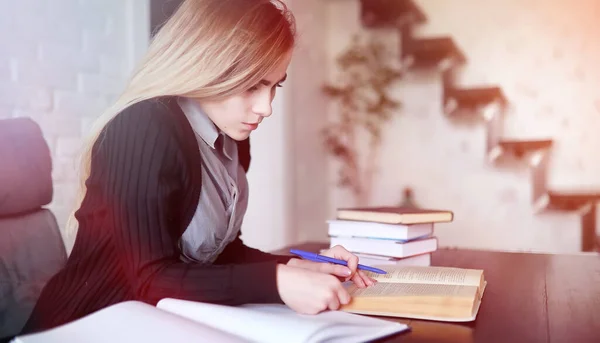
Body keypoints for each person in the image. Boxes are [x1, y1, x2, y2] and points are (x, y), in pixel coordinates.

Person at [20, 0, 375, 335]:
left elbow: (220, 253)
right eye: (253, 85)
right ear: (208, 64)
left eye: (274, 86)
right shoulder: (144, 127)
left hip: (158, 325)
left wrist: (293, 267)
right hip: (85, 326)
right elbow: (145, 280)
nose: (266, 107)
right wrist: (276, 283)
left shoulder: (232, 139)